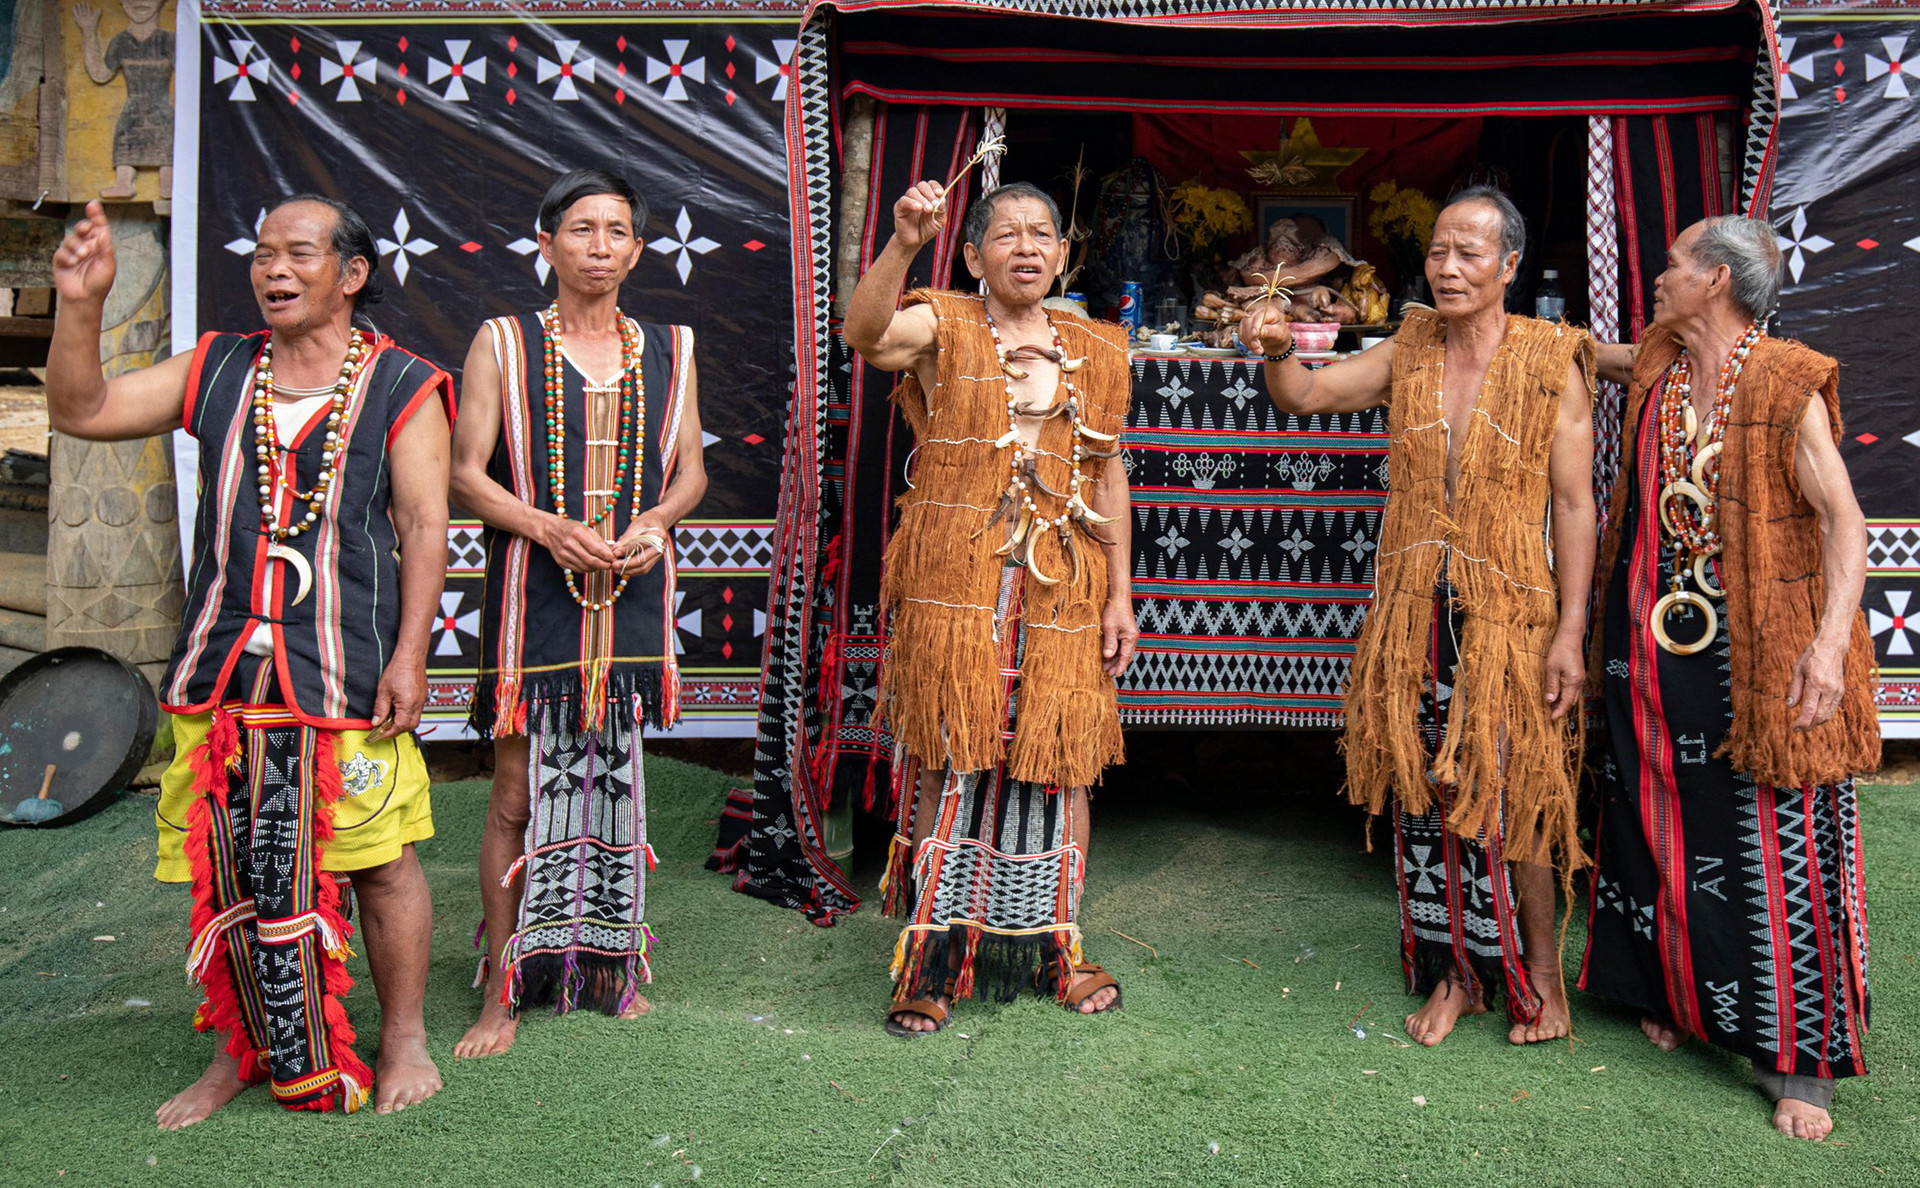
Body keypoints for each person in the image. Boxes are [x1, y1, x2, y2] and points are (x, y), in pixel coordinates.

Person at [47, 196, 452, 1124]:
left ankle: (403, 1039)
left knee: (379, 860)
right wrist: (81, 302)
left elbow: (427, 526)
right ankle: (243, 1050)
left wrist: (410, 657)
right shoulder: (220, 368)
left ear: (350, 274)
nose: (273, 268)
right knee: (223, 867)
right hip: (225, 672)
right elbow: (81, 409)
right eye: (262, 251)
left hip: (344, 674)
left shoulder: (406, 386)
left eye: (298, 253)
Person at [1243, 186, 1595, 1047]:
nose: (1448, 267)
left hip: (1512, 606)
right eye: (1439, 250)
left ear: (1509, 265)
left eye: (1470, 253)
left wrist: (1571, 632)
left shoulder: (1554, 357)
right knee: (1428, 792)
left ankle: (1542, 979)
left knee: (1517, 791)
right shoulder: (1412, 345)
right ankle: (1457, 974)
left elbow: (1575, 504)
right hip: (1414, 605)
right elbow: (1307, 400)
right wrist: (1279, 347)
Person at [1582, 216, 1877, 1141]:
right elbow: (1603, 355)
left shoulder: (1786, 379)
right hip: (1655, 644)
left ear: (1715, 279)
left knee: (1779, 837)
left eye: (1672, 265)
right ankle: (1686, 997)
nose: (1658, 277)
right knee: (1662, 818)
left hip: (1765, 651)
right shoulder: (1666, 372)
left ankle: (1801, 1061)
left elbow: (1845, 524)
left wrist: (1826, 646)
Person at [844, 179, 1139, 1036]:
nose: (1027, 247)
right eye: (1006, 234)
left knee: (1062, 754)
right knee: (950, 750)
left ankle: (1059, 946)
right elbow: (865, 334)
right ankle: (932, 959)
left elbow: (1107, 472)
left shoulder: (1095, 345)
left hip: (1064, 582)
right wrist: (903, 244)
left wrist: (1122, 592)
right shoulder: (943, 323)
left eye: (1042, 234)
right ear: (973, 256)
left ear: (1061, 253)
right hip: (960, 576)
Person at [450, 168, 707, 1059]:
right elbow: (465, 472)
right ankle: (507, 982)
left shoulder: (672, 346)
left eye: (617, 232)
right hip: (535, 597)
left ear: (638, 249)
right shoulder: (505, 342)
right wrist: (547, 527)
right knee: (518, 794)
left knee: (616, 781)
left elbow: (691, 473)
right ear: (547, 241)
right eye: (582, 229)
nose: (600, 245)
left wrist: (654, 522)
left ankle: (602, 960)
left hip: (631, 593)